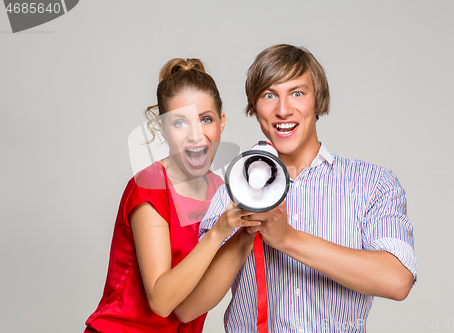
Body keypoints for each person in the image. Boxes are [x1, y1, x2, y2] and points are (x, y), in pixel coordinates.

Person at [176, 45, 417, 332]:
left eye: (297, 93)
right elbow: (189, 308)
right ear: (254, 107)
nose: (283, 110)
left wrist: (286, 238)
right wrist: (244, 230)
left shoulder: (372, 184)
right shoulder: (231, 189)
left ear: (318, 101)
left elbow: (397, 280)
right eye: (269, 95)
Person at [84, 58, 260, 333]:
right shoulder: (150, 185)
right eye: (180, 123)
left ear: (221, 123)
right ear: (163, 129)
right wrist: (218, 232)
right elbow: (162, 301)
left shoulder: (221, 190)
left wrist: (248, 232)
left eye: (206, 119)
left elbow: (188, 308)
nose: (195, 135)